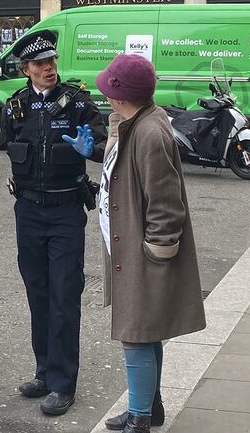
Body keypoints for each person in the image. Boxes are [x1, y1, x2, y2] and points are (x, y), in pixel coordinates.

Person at [94, 54, 206, 433]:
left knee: (135, 333)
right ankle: (148, 406)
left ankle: (140, 417)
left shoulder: (148, 133)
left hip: (141, 252)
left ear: (120, 94)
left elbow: (165, 202)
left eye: (109, 88)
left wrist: (156, 248)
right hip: (127, 246)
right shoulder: (133, 123)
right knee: (145, 330)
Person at [2, 29, 106, 416]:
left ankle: (63, 384)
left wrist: (89, 149)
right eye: (40, 64)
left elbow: (101, 145)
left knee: (64, 297)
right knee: (38, 293)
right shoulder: (15, 107)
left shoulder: (78, 103)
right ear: (26, 69)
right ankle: (45, 371)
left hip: (65, 211)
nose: (49, 68)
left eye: (52, 62)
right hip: (28, 210)